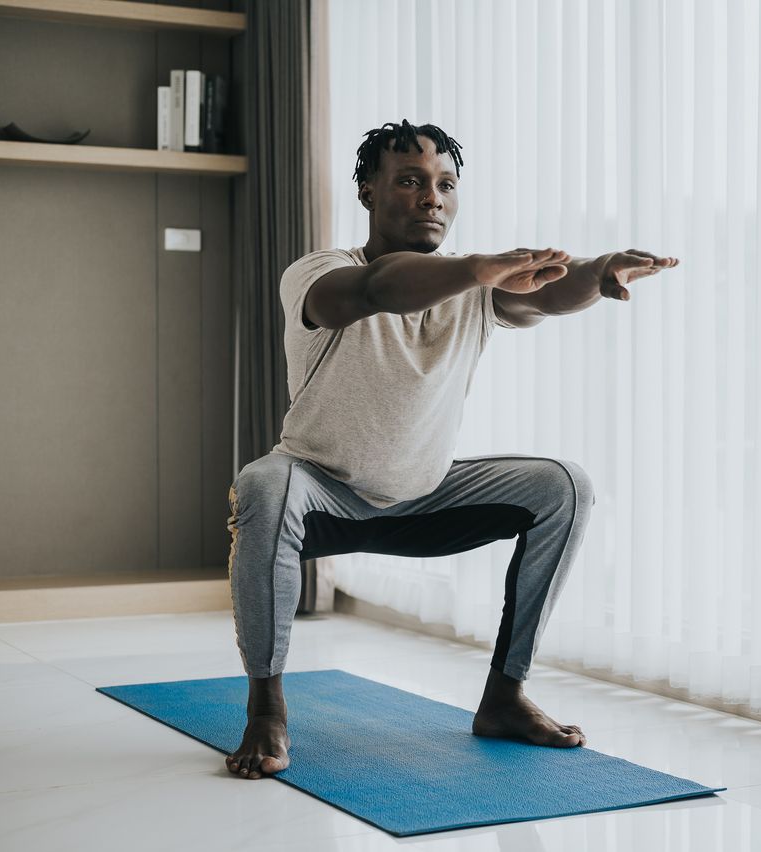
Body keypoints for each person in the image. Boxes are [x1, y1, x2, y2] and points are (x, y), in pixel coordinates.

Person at [224, 119, 679, 780]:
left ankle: (505, 697)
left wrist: (599, 271)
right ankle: (266, 709)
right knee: (263, 483)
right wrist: (475, 269)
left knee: (563, 485)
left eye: (445, 184)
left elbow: (547, 295)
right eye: (410, 181)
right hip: (319, 490)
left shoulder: (475, 290)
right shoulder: (318, 273)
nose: (432, 197)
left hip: (426, 492)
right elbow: (374, 290)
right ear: (367, 192)